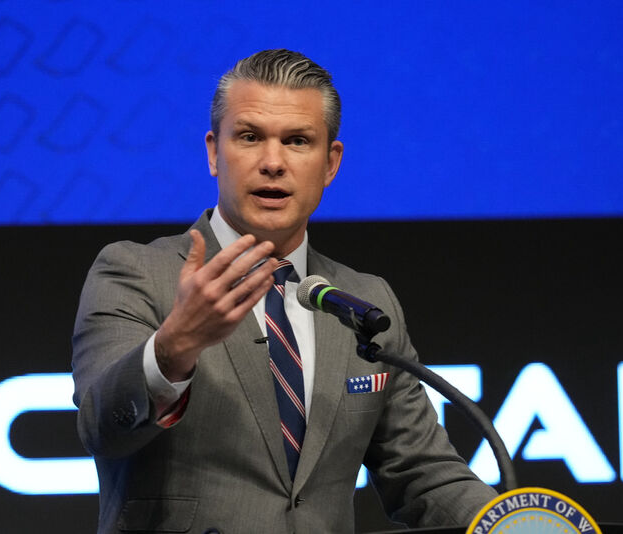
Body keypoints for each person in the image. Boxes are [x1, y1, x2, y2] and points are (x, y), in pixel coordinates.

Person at [72, 49, 497, 533]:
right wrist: (174, 348)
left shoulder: (361, 301)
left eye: (297, 141)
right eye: (250, 137)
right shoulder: (135, 272)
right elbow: (100, 427)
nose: (273, 162)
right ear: (214, 152)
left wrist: (516, 524)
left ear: (331, 163)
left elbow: (424, 476)